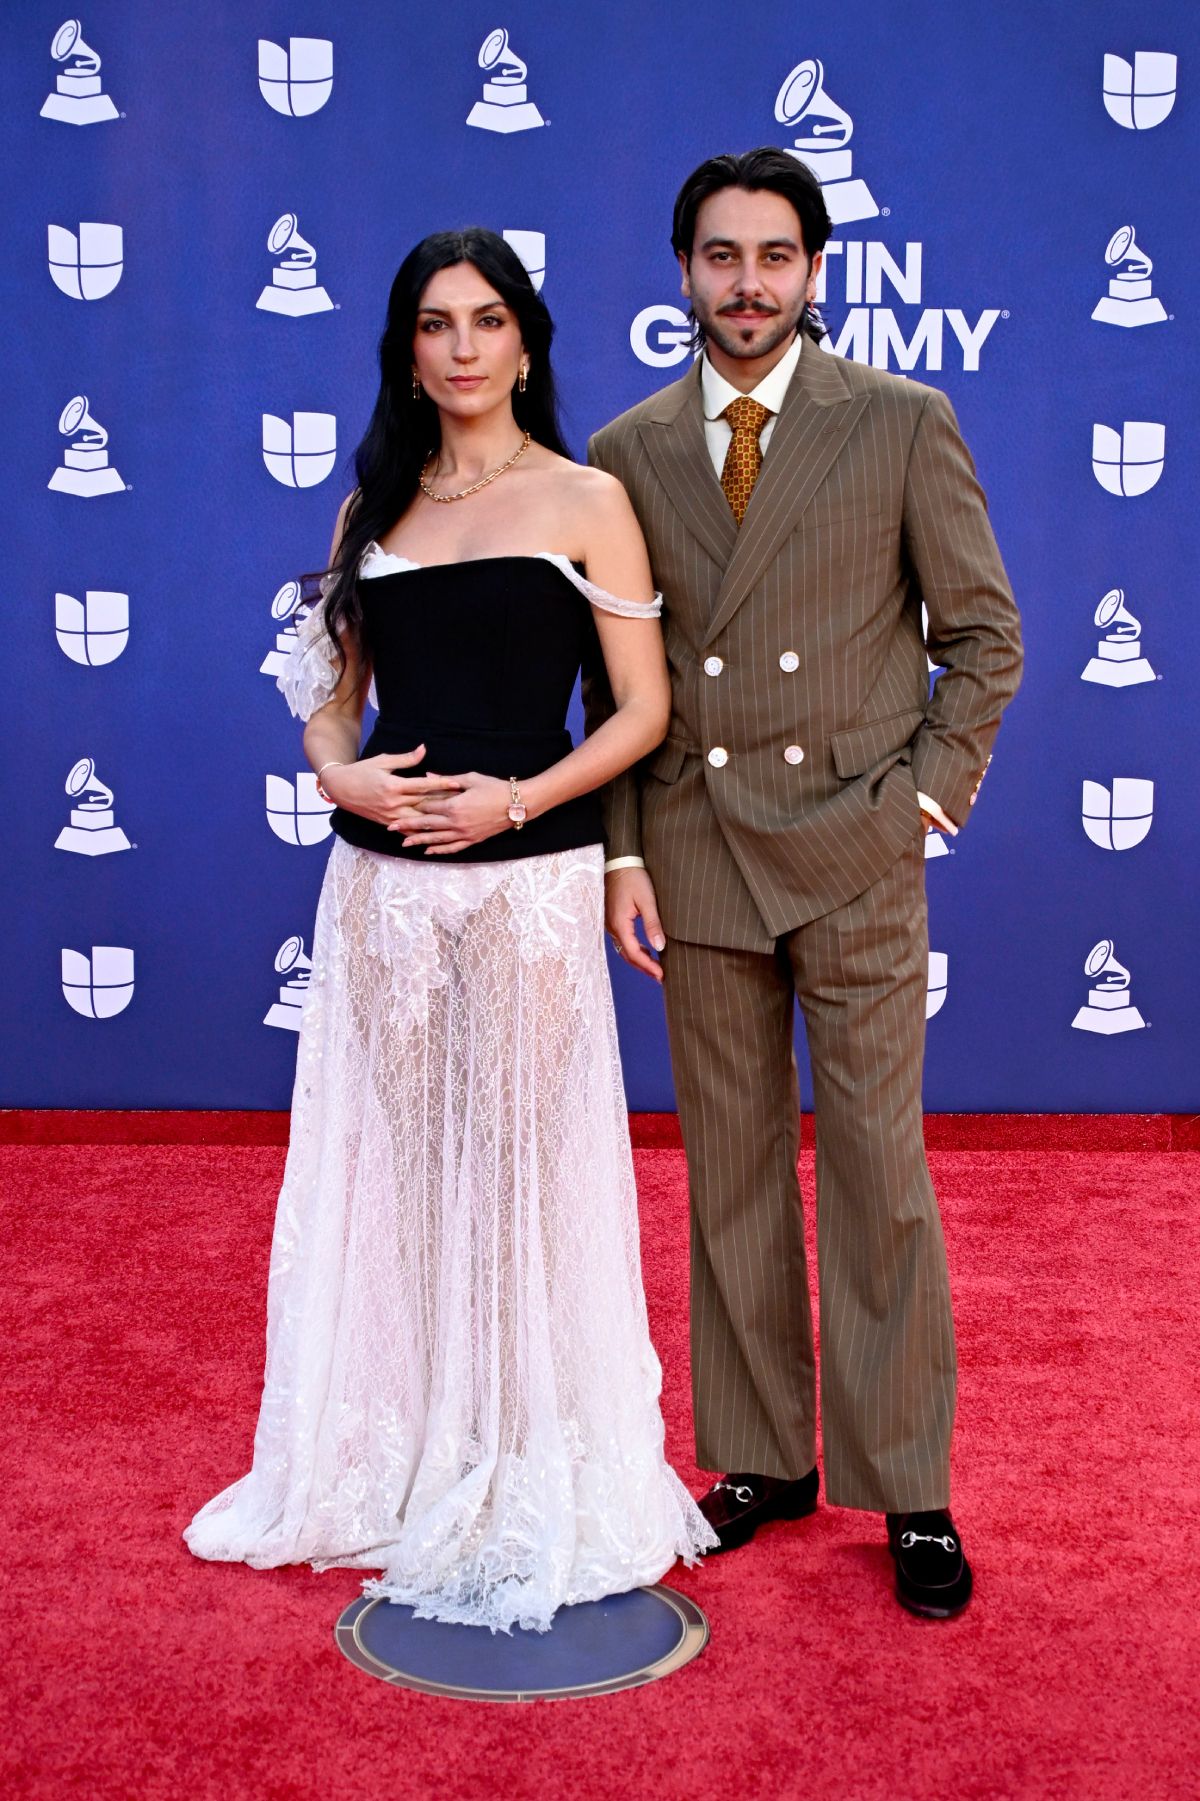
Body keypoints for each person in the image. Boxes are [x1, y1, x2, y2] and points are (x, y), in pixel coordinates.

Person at [184, 228, 715, 1631]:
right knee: (405, 1172)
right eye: (436, 323)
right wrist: (330, 768)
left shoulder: (589, 497)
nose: (463, 347)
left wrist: (523, 802)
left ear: (525, 343)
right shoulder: (375, 506)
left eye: (488, 321)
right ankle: (402, 1448)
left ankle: (520, 1451)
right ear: (407, 349)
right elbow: (325, 687)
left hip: (528, 887)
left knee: (523, 1171)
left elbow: (643, 711)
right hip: (378, 897)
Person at [586, 149, 1022, 1618]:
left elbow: (985, 633)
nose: (749, 282)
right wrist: (628, 850)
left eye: (776, 255)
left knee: (882, 1177)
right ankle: (762, 1458)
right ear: (683, 270)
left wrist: (920, 806)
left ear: (819, 271)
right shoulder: (628, 449)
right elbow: (618, 683)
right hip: (700, 854)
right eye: (721, 255)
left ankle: (909, 1485)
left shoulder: (901, 422)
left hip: (854, 853)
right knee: (731, 1173)